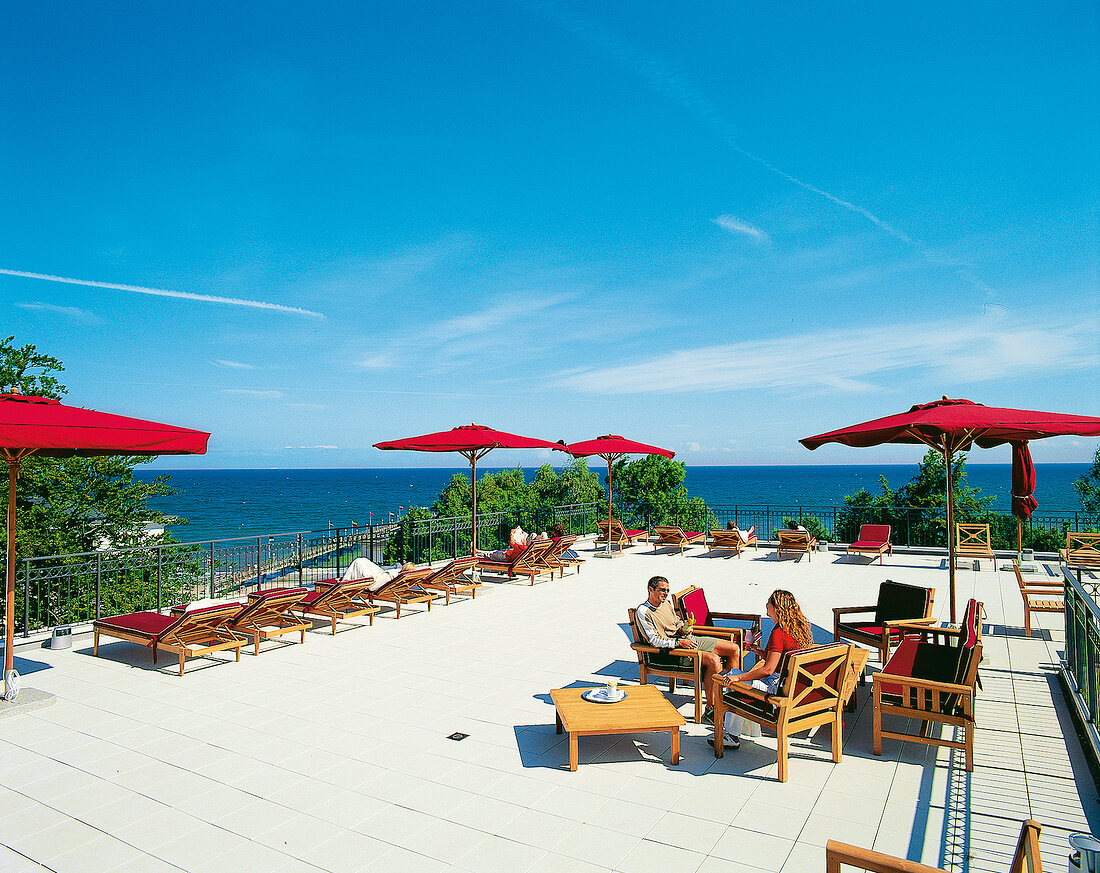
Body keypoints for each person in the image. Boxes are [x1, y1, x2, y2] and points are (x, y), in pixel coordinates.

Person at [713, 588, 813, 749]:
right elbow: (782, 660)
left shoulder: (778, 633)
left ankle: (731, 733)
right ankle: (735, 733)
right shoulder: (795, 629)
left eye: (769, 602)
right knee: (736, 678)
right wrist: (760, 652)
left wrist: (738, 678)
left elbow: (768, 670)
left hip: (776, 687)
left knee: (732, 678)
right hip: (790, 683)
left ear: (776, 607)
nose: (766, 604)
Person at [634, 575, 741, 722]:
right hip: (673, 651)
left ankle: (732, 698)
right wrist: (678, 642)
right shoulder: (643, 611)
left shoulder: (666, 603)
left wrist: (684, 628)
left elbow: (676, 623)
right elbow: (654, 640)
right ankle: (711, 708)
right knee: (714, 661)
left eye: (667, 590)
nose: (665, 593)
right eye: (661, 590)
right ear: (650, 590)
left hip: (687, 640)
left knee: (734, 649)